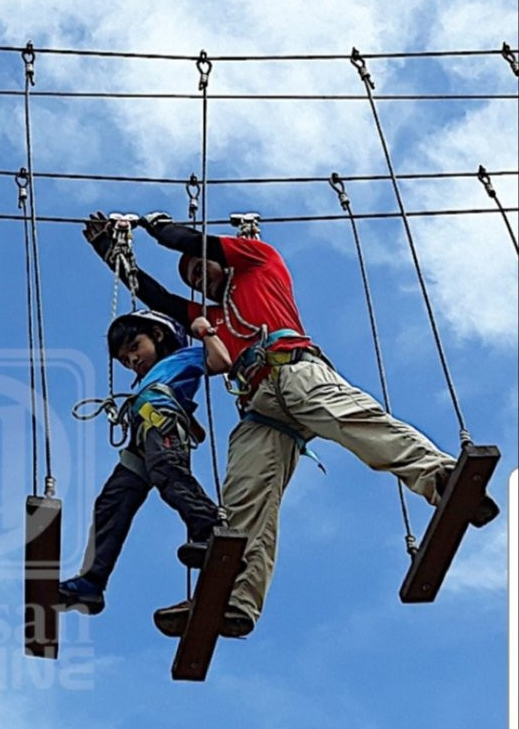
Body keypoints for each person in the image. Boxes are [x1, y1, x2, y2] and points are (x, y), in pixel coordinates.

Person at [83, 211, 500, 638]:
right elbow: (160, 299)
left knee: (354, 421)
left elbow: (191, 240)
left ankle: (438, 475)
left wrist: (154, 226)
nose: (198, 279)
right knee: (245, 493)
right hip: (259, 406)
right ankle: (236, 600)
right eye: (192, 279)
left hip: (294, 370)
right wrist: (112, 257)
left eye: (200, 268)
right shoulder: (214, 316)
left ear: (221, 260)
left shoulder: (258, 263)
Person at [57, 309, 232, 615]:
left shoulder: (182, 357)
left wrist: (205, 331)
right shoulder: (151, 378)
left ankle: (210, 529)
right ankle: (93, 582)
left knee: (168, 473)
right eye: (125, 359)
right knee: (111, 501)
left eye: (135, 347)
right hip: (142, 438)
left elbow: (221, 362)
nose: (132, 360)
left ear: (159, 336)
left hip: (160, 426)